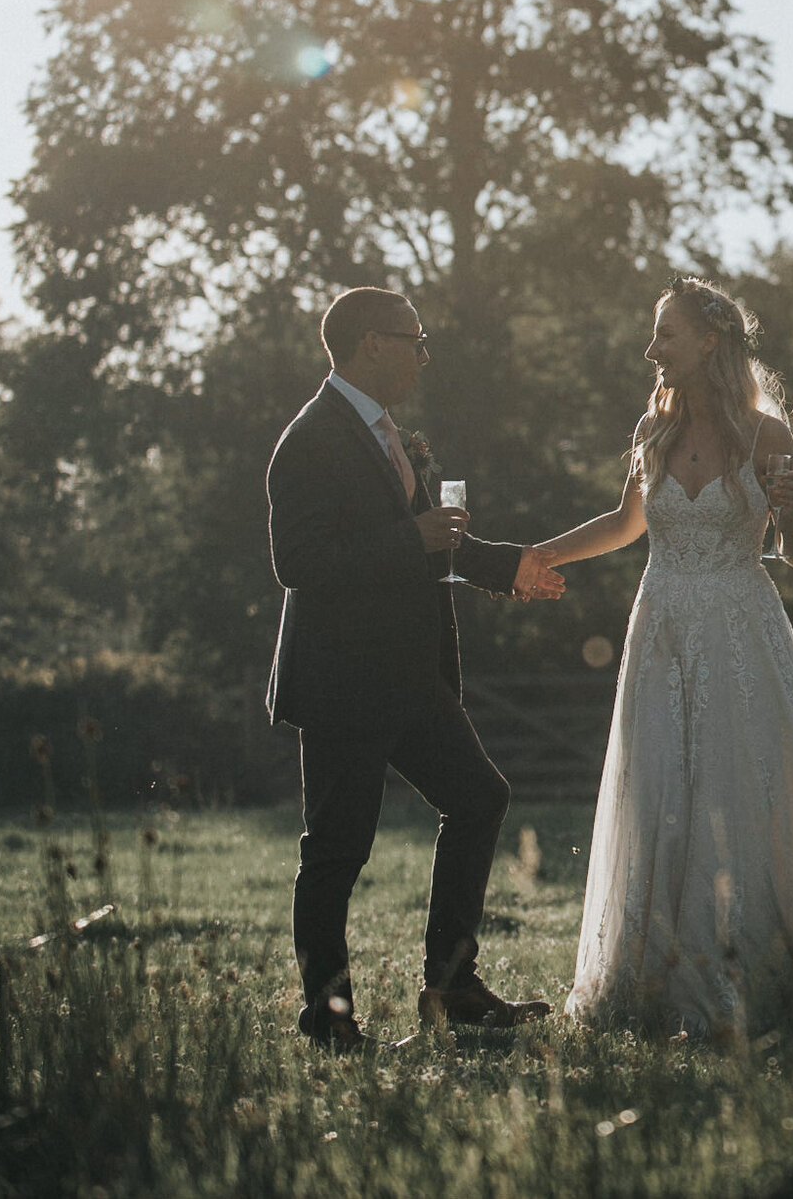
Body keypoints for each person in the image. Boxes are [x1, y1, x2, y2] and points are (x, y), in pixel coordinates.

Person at [533, 276, 793, 1035]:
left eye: (665, 333)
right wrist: (539, 555)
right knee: (661, 782)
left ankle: (758, 967)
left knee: (741, 783)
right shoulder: (650, 431)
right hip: (660, 625)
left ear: (709, 341)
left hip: (739, 627)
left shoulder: (767, 436)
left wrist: (791, 515)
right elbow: (628, 524)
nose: (651, 347)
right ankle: (651, 973)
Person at [265, 286, 568, 1050]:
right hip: (343, 681)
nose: (425, 354)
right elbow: (298, 564)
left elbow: (439, 541)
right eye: (415, 339)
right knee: (336, 849)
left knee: (479, 798)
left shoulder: (385, 432)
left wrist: (512, 568)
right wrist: (415, 538)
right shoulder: (310, 438)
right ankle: (328, 1019)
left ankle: (453, 987)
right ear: (371, 342)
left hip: (408, 676)